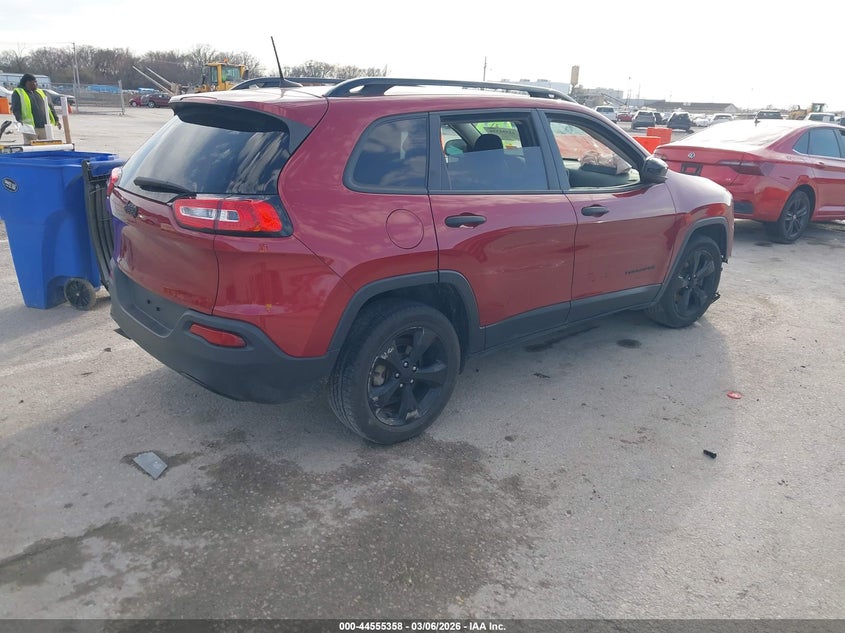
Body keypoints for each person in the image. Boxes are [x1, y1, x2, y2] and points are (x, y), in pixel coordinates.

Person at [11, 73, 61, 145]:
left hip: (44, 126)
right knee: (30, 147)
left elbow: (50, 107)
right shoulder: (19, 93)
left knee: (47, 146)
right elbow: (16, 108)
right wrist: (19, 119)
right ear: (27, 82)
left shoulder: (41, 92)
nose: (35, 84)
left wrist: (56, 120)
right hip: (29, 127)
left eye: (36, 82)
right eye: (33, 82)